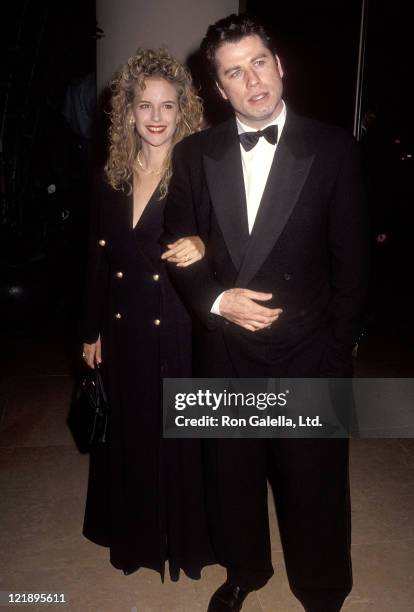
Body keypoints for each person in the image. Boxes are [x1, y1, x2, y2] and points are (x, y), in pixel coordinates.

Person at [163, 14, 369, 612]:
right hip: (225, 351)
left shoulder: (333, 149)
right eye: (234, 71)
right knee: (233, 482)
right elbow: (178, 242)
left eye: (259, 63)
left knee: (316, 486)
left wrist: (336, 358)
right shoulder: (195, 154)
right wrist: (216, 298)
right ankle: (245, 570)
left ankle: (323, 588)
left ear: (278, 66)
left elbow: (353, 268)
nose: (252, 81)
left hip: (308, 354)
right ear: (218, 88)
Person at [80, 47, 214, 581]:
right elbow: (96, 259)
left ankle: (185, 543)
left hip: (177, 324)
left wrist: (204, 241)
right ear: (129, 113)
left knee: (178, 435)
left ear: (182, 110)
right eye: (145, 106)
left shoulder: (198, 170)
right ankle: (136, 540)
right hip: (124, 324)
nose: (156, 118)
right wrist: (89, 330)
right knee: (132, 431)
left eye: (166, 106)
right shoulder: (110, 177)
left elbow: (226, 237)